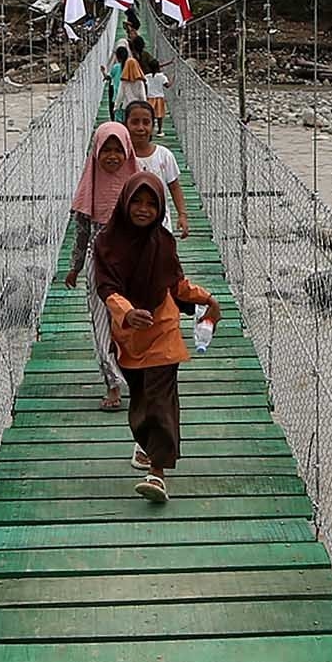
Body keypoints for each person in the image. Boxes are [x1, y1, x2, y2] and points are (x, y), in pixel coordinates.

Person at [92, 171, 218, 502]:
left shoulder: (163, 242)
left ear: (161, 208)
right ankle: (146, 445)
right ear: (125, 202)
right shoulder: (106, 242)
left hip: (163, 329)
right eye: (137, 201)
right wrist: (126, 312)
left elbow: (175, 283)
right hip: (130, 335)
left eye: (152, 203)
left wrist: (205, 298)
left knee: (160, 401)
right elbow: (107, 288)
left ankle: (157, 472)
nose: (144, 209)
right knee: (141, 400)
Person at [64, 121, 136, 410]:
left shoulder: (137, 182)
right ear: (95, 152)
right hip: (98, 263)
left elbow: (153, 224)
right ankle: (113, 385)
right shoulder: (89, 184)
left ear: (128, 152)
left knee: (130, 322)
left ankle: (138, 377)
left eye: (119, 150)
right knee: (101, 321)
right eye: (106, 150)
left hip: (133, 263)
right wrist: (75, 265)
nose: (112, 156)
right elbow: (81, 230)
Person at [121, 98, 188, 237]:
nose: (140, 128)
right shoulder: (121, 157)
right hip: (128, 223)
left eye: (146, 123)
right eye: (134, 122)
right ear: (125, 125)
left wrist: (182, 215)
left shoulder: (164, 155)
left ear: (153, 126)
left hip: (160, 224)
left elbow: (174, 187)